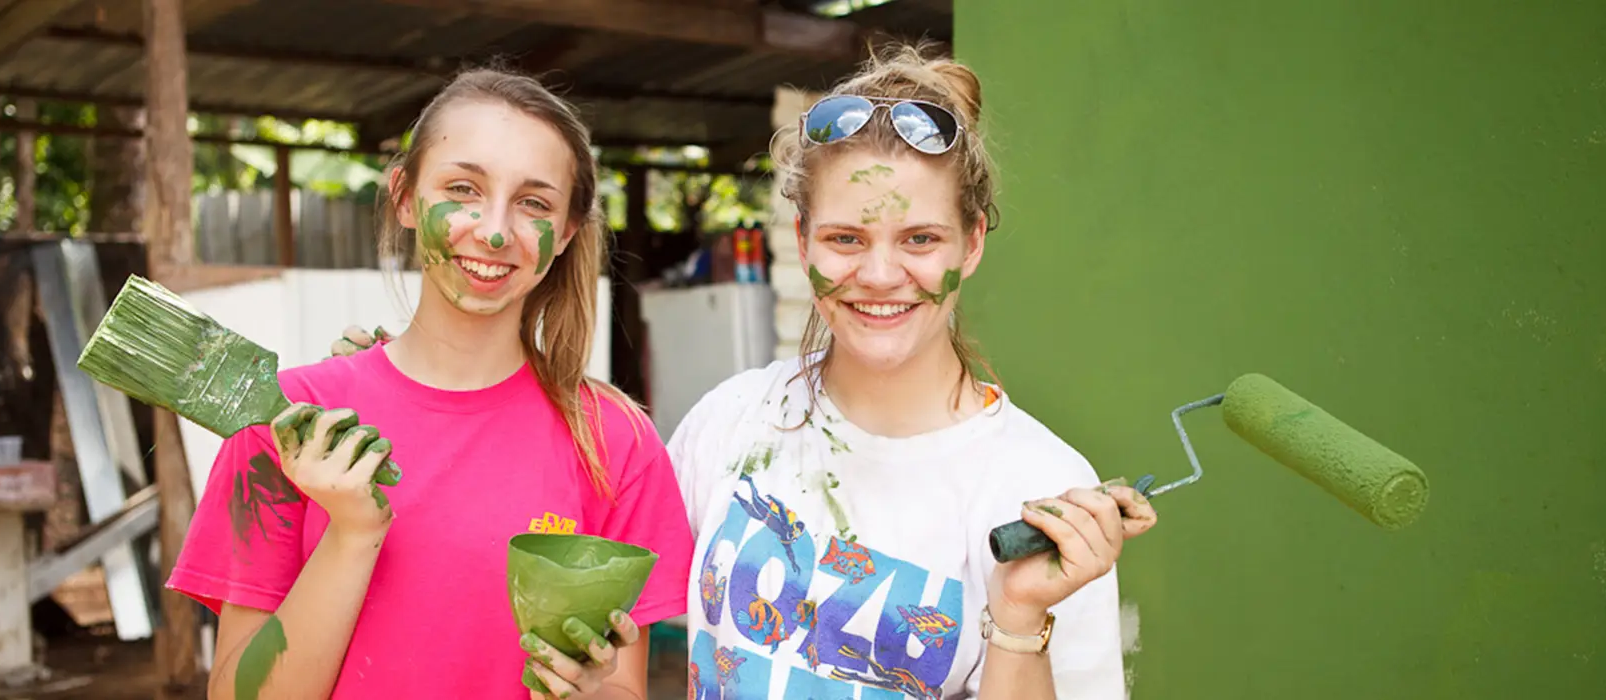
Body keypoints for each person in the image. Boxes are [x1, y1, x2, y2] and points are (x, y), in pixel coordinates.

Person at [336, 44, 1158, 699]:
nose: (879, 275)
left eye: (919, 240)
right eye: (845, 239)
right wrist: (408, 384)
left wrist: (1016, 615)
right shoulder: (731, 424)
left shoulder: (1040, 486)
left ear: (971, 243)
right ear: (801, 242)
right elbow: (565, 504)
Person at [169, 66, 693, 700]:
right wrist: (352, 533)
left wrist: (585, 690)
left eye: (533, 203)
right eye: (463, 187)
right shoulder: (288, 427)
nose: (495, 230)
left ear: (568, 232)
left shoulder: (613, 443)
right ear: (406, 197)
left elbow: (624, 692)